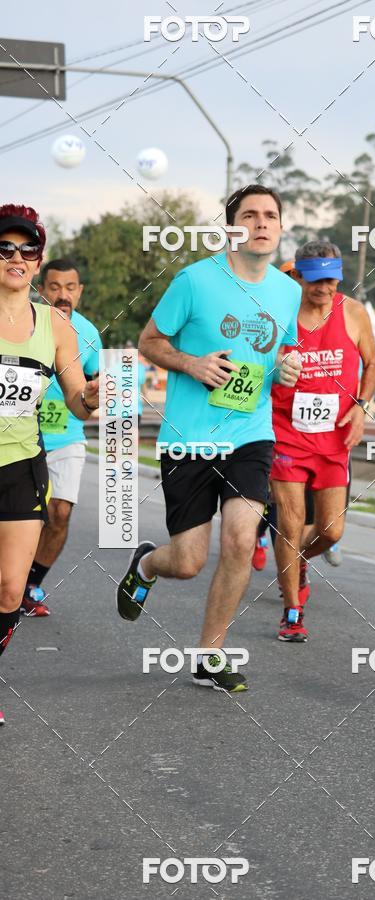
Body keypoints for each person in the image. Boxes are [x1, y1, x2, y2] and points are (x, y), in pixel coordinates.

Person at [115, 185, 302, 692]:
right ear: (230, 228)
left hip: (250, 434)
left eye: (270, 216)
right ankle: (149, 562)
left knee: (241, 539)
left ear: (281, 228)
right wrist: (191, 363)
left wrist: (288, 369)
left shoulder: (289, 291)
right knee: (189, 561)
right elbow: (149, 341)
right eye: (249, 216)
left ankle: (210, 654)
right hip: (190, 438)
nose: (261, 224)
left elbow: (285, 353)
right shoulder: (194, 281)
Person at [0, 204, 99, 725]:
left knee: (11, 589)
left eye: (27, 250)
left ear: (38, 261)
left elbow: (78, 400)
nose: (17, 257)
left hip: (19, 464)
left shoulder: (57, 329)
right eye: (6, 248)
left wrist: (94, 398)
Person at [270, 240, 375, 641]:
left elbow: (372, 364)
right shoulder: (279, 315)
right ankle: (292, 610)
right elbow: (253, 363)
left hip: (334, 438)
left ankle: (295, 558)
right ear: (298, 276)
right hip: (286, 433)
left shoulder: (353, 313)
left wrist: (361, 406)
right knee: (290, 521)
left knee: (331, 531)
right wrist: (274, 368)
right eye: (315, 281)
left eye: (331, 280)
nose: (323, 289)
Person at [21, 259, 102, 616]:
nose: (62, 295)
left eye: (70, 288)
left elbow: (96, 386)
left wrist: (101, 395)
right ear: (41, 288)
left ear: (80, 292)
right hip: (20, 438)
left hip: (67, 437)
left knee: (60, 513)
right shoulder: (22, 323)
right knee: (20, 517)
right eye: (55, 287)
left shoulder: (89, 334)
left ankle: (31, 584)